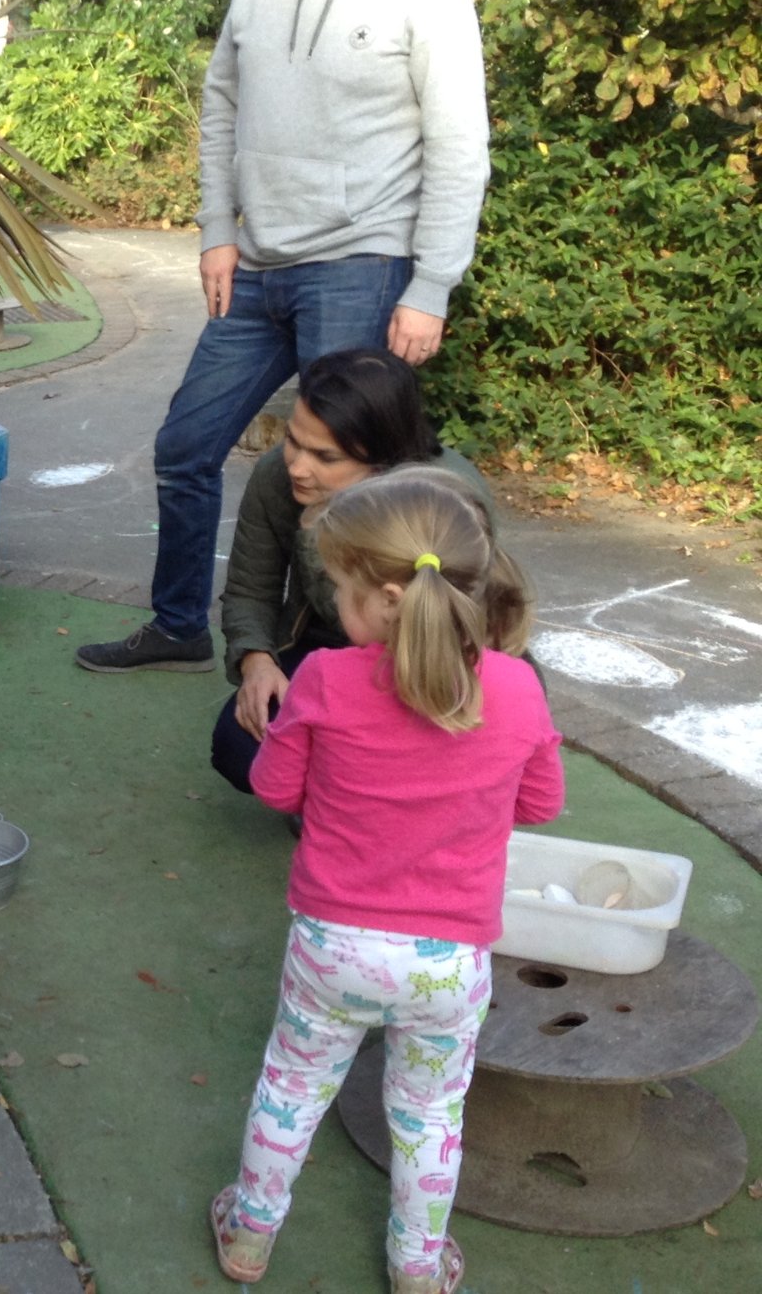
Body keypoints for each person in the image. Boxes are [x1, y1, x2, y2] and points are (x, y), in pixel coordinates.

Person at [76, 0, 490, 676]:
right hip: (257, 268)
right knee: (185, 448)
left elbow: (461, 149)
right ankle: (182, 623)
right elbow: (223, 99)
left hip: (363, 263)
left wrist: (431, 287)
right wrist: (216, 229)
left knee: (347, 480)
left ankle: (349, 664)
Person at [209, 468, 562, 1294]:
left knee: (292, 1087)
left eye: (337, 584)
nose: (333, 600)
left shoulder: (328, 680)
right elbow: (540, 803)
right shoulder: (515, 687)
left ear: (385, 596)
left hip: (335, 945)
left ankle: (249, 1238)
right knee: (432, 1114)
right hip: (449, 961)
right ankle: (415, 1266)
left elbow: (272, 789)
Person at [211, 348, 500, 792]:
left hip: (434, 647)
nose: (297, 466)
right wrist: (257, 662)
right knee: (240, 745)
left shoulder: (447, 494)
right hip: (327, 643)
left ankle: (395, 803)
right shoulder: (277, 477)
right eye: (293, 439)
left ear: (382, 462)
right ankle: (335, 799)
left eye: (326, 457)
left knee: (429, 741)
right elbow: (251, 589)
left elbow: (477, 618)